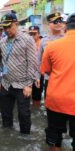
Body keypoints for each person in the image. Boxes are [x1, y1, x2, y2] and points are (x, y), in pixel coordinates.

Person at [0, 13, 37, 134]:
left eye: (9, 26)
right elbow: (0, 63)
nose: (7, 30)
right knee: (5, 114)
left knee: (24, 115)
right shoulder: (2, 42)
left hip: (22, 85)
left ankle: (25, 139)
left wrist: (29, 85)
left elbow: (32, 63)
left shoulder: (27, 40)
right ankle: (7, 137)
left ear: (17, 24)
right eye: (4, 27)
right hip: (6, 83)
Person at [40, 13, 75, 151]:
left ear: (66, 27)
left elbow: (46, 70)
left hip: (56, 99)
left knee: (54, 136)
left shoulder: (52, 46)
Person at [37, 12, 64, 99]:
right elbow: (38, 60)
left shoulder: (67, 38)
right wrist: (37, 77)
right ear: (49, 24)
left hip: (65, 77)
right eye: (55, 21)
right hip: (49, 78)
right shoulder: (44, 40)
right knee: (49, 103)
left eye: (60, 20)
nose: (59, 23)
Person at [28, 25, 43, 107]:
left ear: (39, 34)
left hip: (39, 73)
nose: (32, 36)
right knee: (25, 95)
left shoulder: (43, 43)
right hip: (27, 73)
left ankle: (36, 110)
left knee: (37, 95)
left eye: (34, 34)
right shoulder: (25, 43)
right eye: (30, 34)